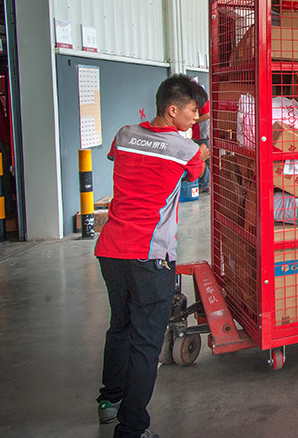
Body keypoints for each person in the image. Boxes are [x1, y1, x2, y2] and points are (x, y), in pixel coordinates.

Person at [94, 74, 209, 438]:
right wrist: (198, 148)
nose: (196, 117)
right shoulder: (186, 150)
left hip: (111, 250)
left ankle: (109, 402)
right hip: (150, 255)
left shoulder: (125, 135)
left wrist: (182, 112)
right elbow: (196, 173)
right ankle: (131, 430)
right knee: (146, 343)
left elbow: (133, 153)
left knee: (120, 327)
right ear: (173, 109)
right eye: (191, 111)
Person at [191, 99, 210, 192]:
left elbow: (207, 114)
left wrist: (195, 120)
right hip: (194, 135)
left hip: (202, 135)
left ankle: (204, 184)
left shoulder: (202, 100)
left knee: (205, 160)